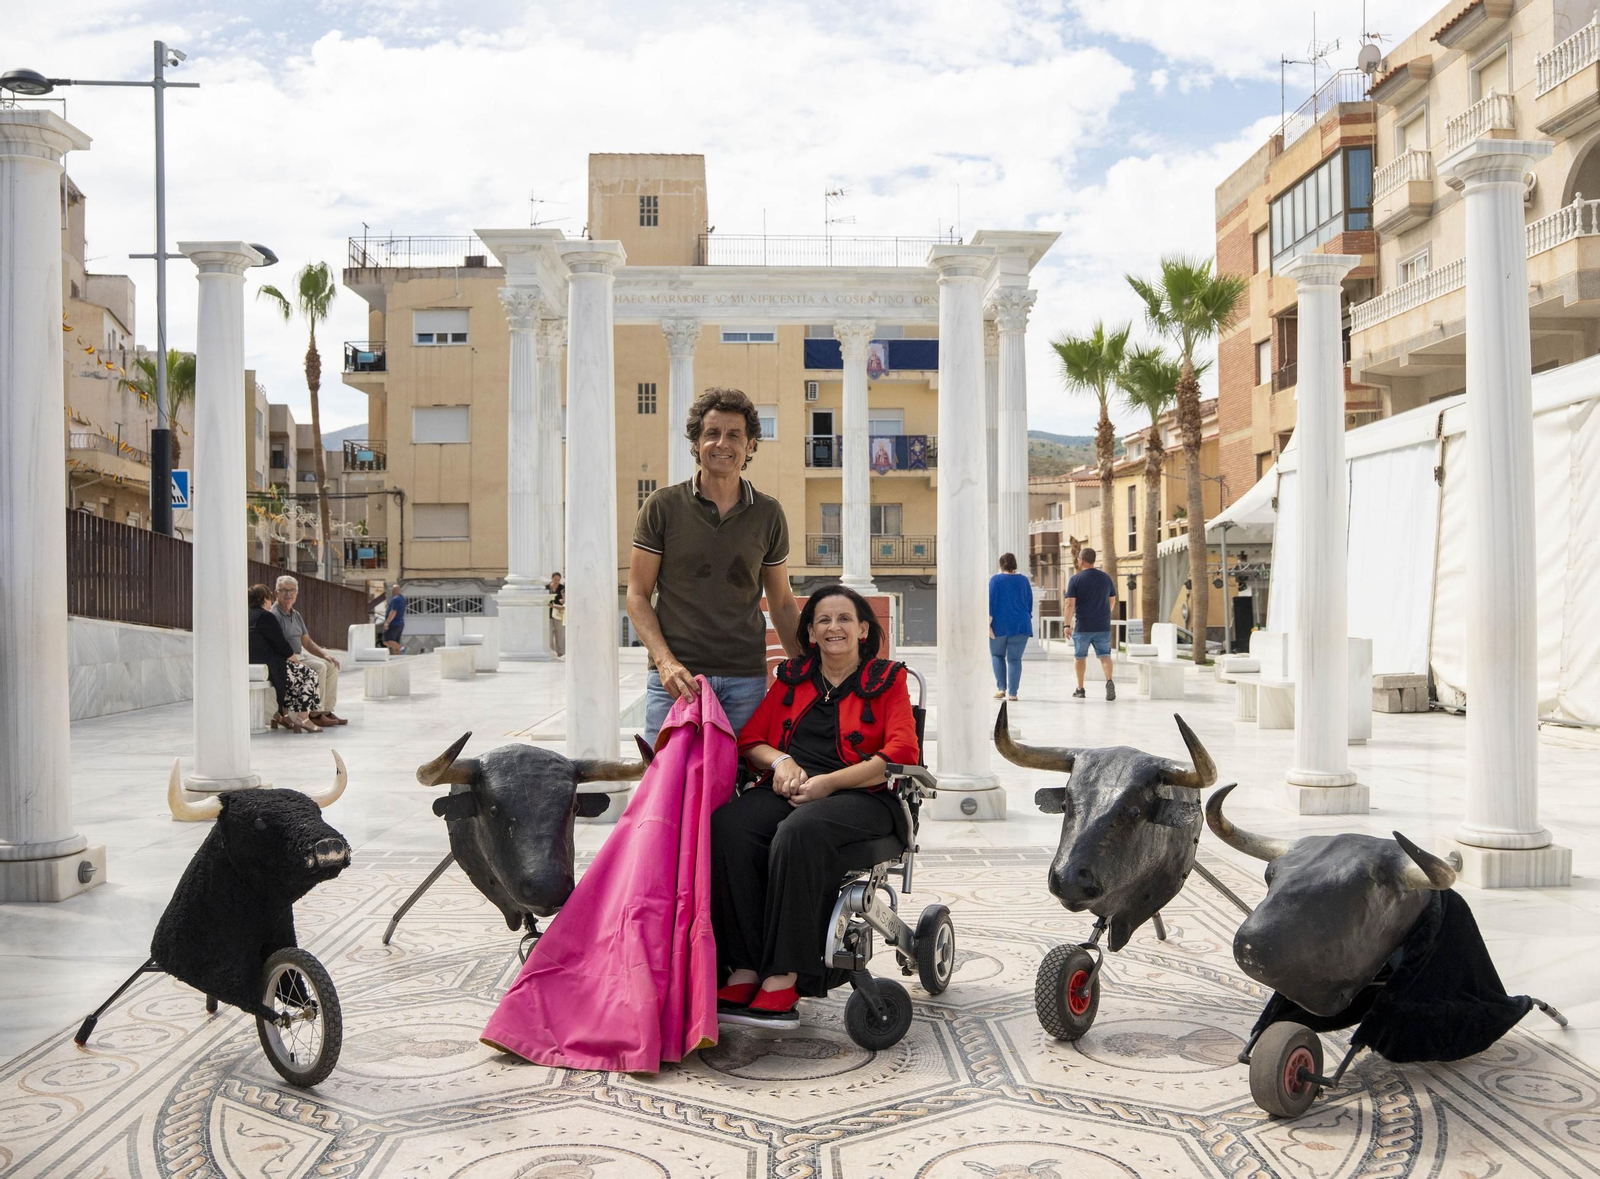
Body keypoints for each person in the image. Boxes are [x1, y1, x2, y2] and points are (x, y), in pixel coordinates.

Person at [709, 585, 919, 1025]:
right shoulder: (793, 678)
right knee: (728, 826)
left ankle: (785, 977)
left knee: (799, 831)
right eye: (822, 620)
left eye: (844, 619)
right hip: (793, 789)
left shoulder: (889, 680)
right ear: (809, 632)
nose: (833, 627)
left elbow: (901, 754)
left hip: (865, 798)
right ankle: (745, 967)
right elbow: (751, 740)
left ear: (863, 629)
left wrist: (828, 784)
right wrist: (782, 761)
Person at [628, 387, 803, 745]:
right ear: (696, 442)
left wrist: (808, 667)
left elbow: (782, 602)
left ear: (750, 444)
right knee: (665, 786)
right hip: (676, 681)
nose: (722, 443)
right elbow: (637, 594)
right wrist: (665, 663)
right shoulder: (662, 506)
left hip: (745, 681)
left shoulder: (769, 513)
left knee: (739, 792)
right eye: (711, 433)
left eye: (734, 435)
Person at [272, 576, 346, 726]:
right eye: (284, 590)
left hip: (299, 655)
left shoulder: (296, 614)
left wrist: (326, 655)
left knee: (330, 665)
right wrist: (294, 659)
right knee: (320, 667)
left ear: (297, 593)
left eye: (292, 590)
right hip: (287, 658)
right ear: (276, 593)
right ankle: (315, 713)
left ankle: (326, 711)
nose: (288, 594)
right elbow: (277, 644)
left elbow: (307, 641)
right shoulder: (274, 615)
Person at [248, 584, 322, 732]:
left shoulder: (247, 615)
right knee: (309, 674)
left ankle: (282, 715)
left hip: (251, 663)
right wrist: (296, 660)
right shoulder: (266, 616)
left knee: (292, 676)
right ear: (265, 599)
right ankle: (303, 718)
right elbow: (280, 644)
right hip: (269, 665)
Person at [1064, 547, 1118, 701]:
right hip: (1102, 625)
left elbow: (1069, 604)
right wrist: (1106, 613)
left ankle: (1080, 689)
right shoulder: (1105, 578)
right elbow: (1112, 599)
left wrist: (1066, 625)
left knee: (1080, 656)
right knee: (1105, 655)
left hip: (1083, 626)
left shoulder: (1075, 579)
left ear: (1081, 560)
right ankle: (1109, 681)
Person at [988, 552, 1033, 702]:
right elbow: (1029, 603)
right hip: (1021, 625)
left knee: (997, 655)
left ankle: (1001, 689)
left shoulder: (995, 580)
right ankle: (1013, 693)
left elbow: (991, 603)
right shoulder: (1024, 581)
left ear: (1001, 565)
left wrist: (987, 625)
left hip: (999, 625)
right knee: (1015, 659)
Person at [381, 582, 407, 654]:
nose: (391, 592)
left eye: (392, 590)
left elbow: (393, 612)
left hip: (393, 623)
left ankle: (402, 648)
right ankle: (398, 657)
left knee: (386, 640)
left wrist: (387, 622)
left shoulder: (395, 599)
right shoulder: (402, 599)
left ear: (395, 591)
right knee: (395, 642)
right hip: (400, 623)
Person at [546, 572, 566, 658]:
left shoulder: (562, 588)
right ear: (552, 578)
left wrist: (563, 601)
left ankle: (560, 651)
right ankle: (552, 651)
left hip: (559, 613)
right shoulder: (546, 588)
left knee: (560, 633)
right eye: (555, 579)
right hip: (548, 613)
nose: (556, 581)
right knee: (549, 633)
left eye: (558, 580)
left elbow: (566, 598)